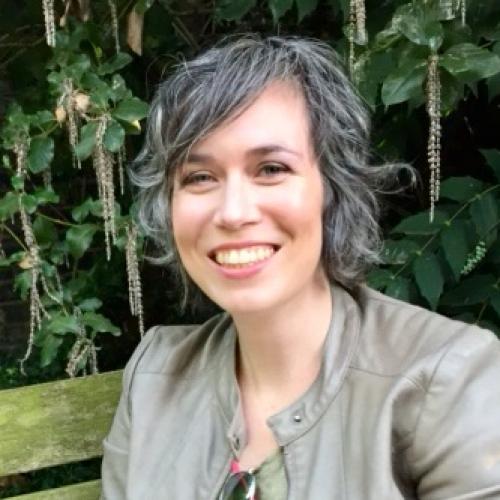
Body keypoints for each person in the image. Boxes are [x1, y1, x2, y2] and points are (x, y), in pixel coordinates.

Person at [101, 35, 500, 499]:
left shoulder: (448, 378)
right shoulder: (154, 376)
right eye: (200, 177)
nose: (233, 212)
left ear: (334, 189)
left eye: (271, 169)